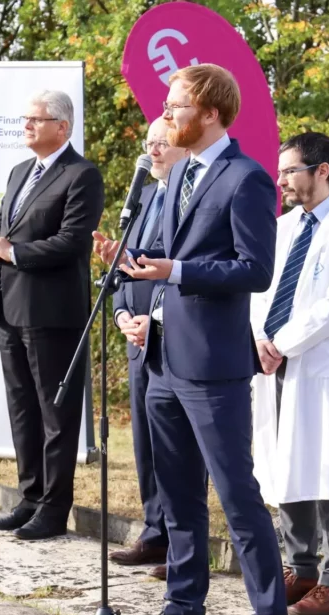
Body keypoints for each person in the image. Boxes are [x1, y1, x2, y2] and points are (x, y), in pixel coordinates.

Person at [93, 64, 289, 615]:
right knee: (177, 495)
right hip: (161, 359)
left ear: (209, 112)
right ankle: (183, 606)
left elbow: (255, 270)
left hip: (212, 365)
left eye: (175, 105)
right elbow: (167, 258)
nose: (166, 113)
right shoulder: (177, 174)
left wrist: (174, 271)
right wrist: (132, 265)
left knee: (236, 496)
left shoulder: (246, 178)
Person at [251, 132, 329, 615]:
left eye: (289, 171)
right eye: (280, 171)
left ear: (321, 171)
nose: (280, 180)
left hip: (319, 364)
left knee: (328, 468)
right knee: (286, 464)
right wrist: (260, 340)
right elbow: (259, 291)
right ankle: (300, 566)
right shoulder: (281, 227)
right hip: (272, 362)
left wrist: (281, 344)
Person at [0, 90, 105, 541]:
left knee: (56, 414)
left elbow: (72, 241)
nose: (27, 126)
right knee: (23, 409)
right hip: (10, 306)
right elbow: (1, 225)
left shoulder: (82, 175)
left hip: (52, 313)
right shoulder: (20, 171)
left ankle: (54, 508)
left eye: (36, 119)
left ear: (62, 127)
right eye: (25, 119)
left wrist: (12, 251)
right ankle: (30, 498)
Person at [108, 117, 187, 580]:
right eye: (149, 142)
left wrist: (152, 321)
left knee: (176, 449)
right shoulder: (143, 197)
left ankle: (181, 545)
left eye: (162, 142)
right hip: (136, 338)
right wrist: (121, 315)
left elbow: (177, 270)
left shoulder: (188, 200)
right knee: (145, 444)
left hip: (170, 337)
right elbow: (123, 268)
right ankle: (154, 532)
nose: (152, 150)